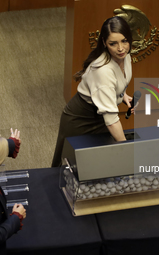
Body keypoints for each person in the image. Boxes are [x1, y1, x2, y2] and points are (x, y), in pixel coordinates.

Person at [52, 16, 134, 167]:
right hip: (81, 120)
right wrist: (127, 149)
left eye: (124, 41)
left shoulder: (125, 56)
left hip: (100, 116)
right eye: (113, 43)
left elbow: (117, 82)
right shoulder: (102, 71)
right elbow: (111, 120)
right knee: (70, 168)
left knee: (99, 166)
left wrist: (123, 96)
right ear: (104, 43)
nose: (121, 48)